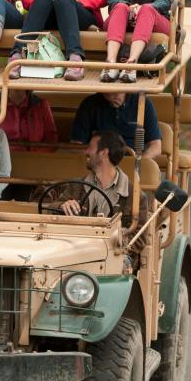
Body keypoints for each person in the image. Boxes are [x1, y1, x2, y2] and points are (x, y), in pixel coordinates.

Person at [58, 130, 151, 263]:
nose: (86, 152)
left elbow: (139, 240)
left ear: (103, 153)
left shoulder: (135, 196)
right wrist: (62, 205)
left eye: (90, 148)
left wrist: (110, 247)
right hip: (75, 253)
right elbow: (49, 208)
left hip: (114, 259)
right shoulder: (77, 186)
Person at [69, 91, 163, 160]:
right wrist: (94, 158)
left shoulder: (143, 103)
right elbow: (76, 145)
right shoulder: (89, 104)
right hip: (100, 163)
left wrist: (139, 163)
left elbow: (156, 146)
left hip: (132, 161)